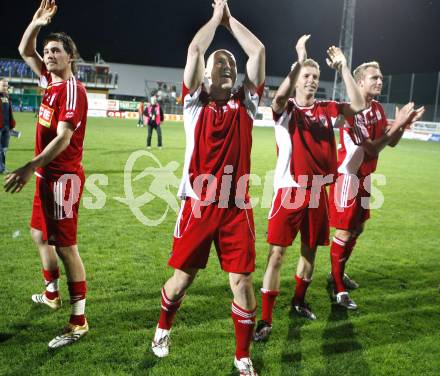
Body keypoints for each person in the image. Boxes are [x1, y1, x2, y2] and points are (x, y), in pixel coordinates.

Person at [150, 1, 265, 374]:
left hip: (236, 208)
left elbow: (258, 51)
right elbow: (196, 49)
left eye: (232, 64)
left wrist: (230, 22)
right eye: (221, 64)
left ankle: (242, 356)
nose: (229, 66)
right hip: (198, 205)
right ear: (205, 77)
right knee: (182, 281)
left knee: (242, 282)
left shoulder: (246, 104)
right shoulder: (193, 104)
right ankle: (162, 329)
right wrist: (216, 19)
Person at [253, 35, 365, 342]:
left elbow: (357, 104)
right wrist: (299, 60)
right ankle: (265, 318)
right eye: (307, 76)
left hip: (319, 194)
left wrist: (343, 67)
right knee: (276, 255)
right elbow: (275, 100)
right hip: (290, 192)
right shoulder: (286, 110)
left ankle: (299, 301)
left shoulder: (328, 109)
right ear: (298, 78)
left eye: (315, 77)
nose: (312, 81)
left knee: (310, 251)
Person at [4, 0, 89, 349]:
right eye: (48, 51)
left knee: (66, 247)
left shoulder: (71, 90)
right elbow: (25, 48)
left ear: (70, 57)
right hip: (46, 177)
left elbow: (64, 138)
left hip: (63, 179)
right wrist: (37, 22)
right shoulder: (49, 82)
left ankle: (79, 320)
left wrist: (29, 167)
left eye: (57, 51)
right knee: (40, 234)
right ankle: (52, 294)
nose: (49, 55)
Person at [327, 61, 425, 309]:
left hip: (366, 178)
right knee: (345, 232)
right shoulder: (352, 110)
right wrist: (399, 121)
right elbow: (371, 148)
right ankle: (338, 290)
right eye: (374, 78)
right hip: (348, 178)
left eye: (381, 78)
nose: (380, 81)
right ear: (359, 82)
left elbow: (390, 142)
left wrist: (403, 124)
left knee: (358, 229)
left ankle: (336, 274)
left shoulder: (379, 108)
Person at [0, 78, 16, 174]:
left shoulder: (7, 97)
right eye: (3, 85)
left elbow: (9, 113)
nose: (6, 87)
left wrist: (12, 125)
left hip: (6, 127)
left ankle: (2, 167)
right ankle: (2, 169)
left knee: (4, 149)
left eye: (6, 85)